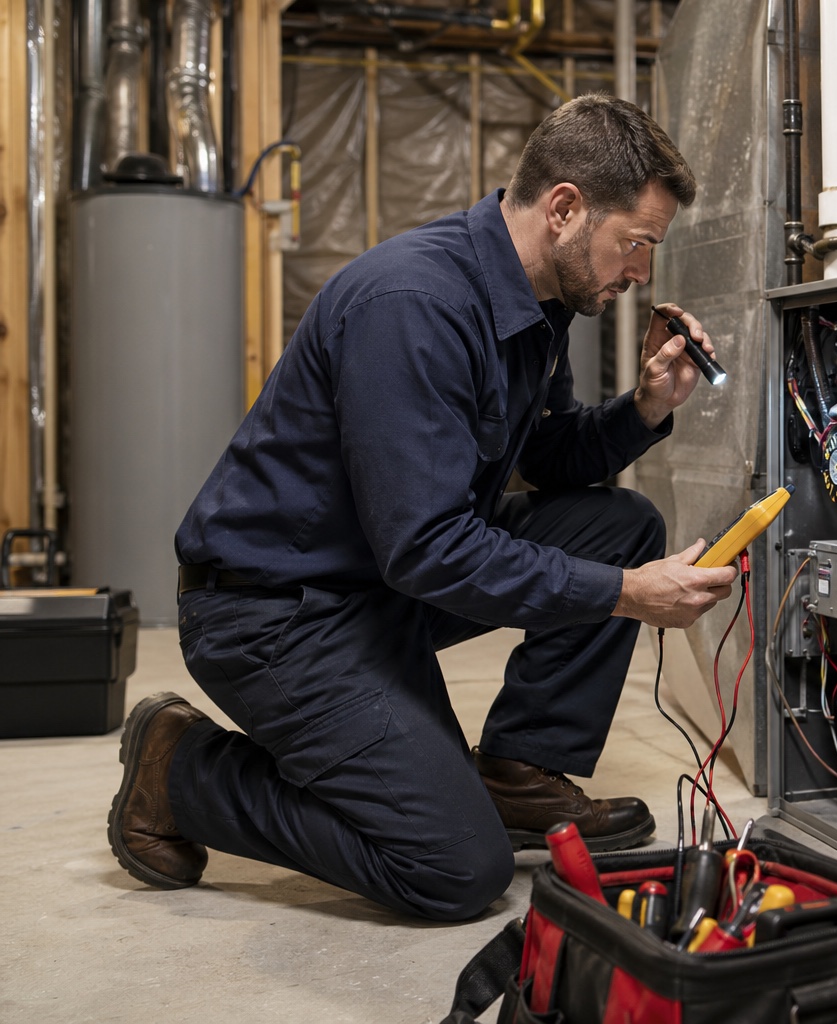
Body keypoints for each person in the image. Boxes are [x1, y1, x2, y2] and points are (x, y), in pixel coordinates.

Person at [106, 95, 739, 922]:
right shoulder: (414, 304)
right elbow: (430, 550)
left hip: (379, 582)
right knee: (454, 869)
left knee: (617, 527)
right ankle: (181, 769)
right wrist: (624, 594)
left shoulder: (538, 303)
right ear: (565, 209)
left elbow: (544, 459)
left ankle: (518, 772)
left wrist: (647, 407)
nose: (640, 273)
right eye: (637, 243)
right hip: (275, 615)